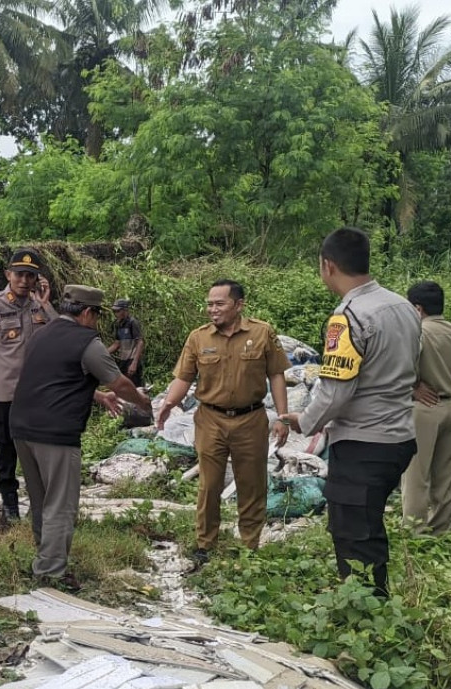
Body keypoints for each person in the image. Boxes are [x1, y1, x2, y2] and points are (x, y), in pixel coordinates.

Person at [280, 227, 420, 598]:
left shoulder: (349, 316)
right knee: (369, 525)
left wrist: (305, 421)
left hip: (363, 443)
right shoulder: (403, 306)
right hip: (400, 437)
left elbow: (336, 390)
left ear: (327, 266)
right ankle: (377, 602)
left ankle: (367, 615)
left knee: (353, 534)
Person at [10, 285, 152, 589]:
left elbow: (55, 379)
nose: (97, 322)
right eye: (98, 315)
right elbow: (121, 384)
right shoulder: (88, 343)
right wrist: (143, 402)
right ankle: (52, 573)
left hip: (22, 427)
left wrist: (96, 397)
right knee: (61, 504)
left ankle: (44, 558)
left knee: (40, 500)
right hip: (56, 432)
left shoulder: (42, 335)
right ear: (88, 313)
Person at [155, 280, 291, 568]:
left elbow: (277, 375)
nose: (212, 310)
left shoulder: (262, 332)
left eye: (219, 304)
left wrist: (282, 416)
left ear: (239, 305)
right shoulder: (198, 338)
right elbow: (184, 378)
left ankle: (249, 546)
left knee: (252, 484)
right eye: (209, 304)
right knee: (209, 485)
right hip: (210, 420)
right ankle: (205, 544)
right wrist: (168, 404)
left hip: (251, 420)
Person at [0, 248, 57, 525]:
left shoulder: (39, 307)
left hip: (37, 396)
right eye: (19, 274)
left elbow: (61, 336)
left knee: (40, 450)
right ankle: (9, 506)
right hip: (6, 395)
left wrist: (46, 304)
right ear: (8, 275)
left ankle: (40, 505)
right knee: (6, 451)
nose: (24, 280)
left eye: (31, 275)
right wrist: (2, 358)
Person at [402, 281, 451, 536]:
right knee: (447, 471)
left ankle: (415, 531)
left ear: (417, 308)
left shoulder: (418, 333)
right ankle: (443, 528)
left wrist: (415, 387)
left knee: (417, 474)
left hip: (424, 408)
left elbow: (400, 368)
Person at [107, 299, 146, 387]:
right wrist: (103, 353)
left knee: (136, 387)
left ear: (125, 310)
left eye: (118, 311)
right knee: (124, 387)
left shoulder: (133, 323)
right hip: (123, 360)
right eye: (114, 311)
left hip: (132, 359)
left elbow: (140, 342)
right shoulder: (118, 324)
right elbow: (117, 344)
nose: (115, 313)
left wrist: (134, 363)